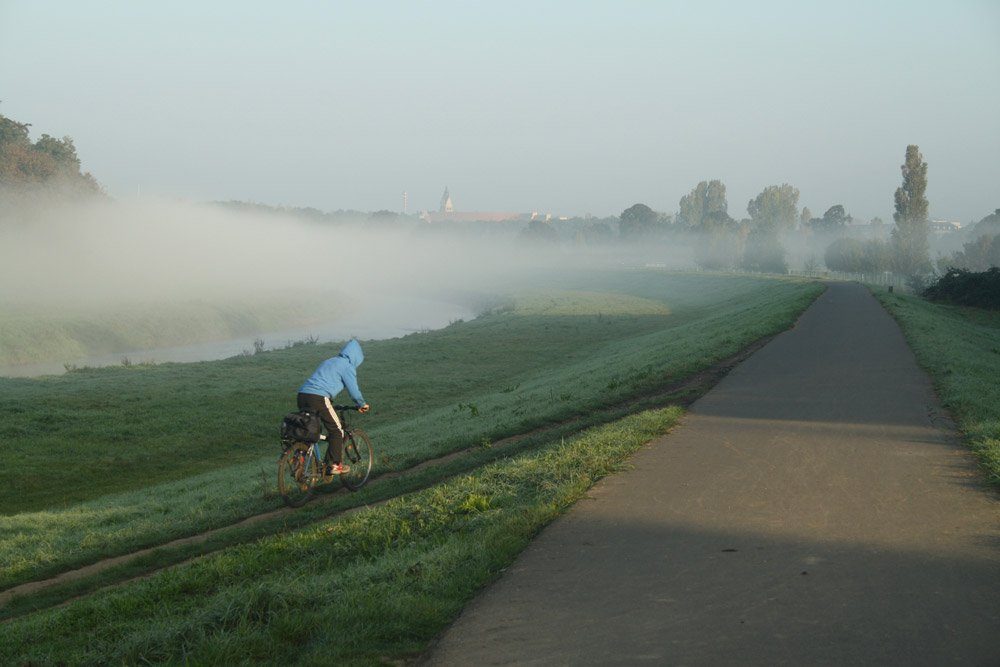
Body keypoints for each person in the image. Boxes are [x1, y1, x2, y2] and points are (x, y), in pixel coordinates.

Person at [297, 339, 370, 475]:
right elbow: (353, 390)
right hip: (319, 398)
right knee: (337, 431)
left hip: (302, 395)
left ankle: (300, 457)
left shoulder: (329, 361)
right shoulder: (346, 366)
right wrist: (361, 404)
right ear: (356, 357)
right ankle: (335, 465)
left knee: (310, 429)